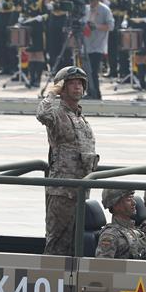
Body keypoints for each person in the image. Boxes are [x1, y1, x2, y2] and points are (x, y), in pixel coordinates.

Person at [36, 66, 98, 256]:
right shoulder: (56, 113)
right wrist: (52, 94)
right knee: (57, 243)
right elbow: (42, 114)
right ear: (62, 88)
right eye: (71, 83)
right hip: (62, 192)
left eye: (80, 83)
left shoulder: (80, 118)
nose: (77, 87)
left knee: (75, 243)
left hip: (81, 189)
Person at [96, 188, 146, 259]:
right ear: (115, 205)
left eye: (132, 198)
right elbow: (102, 266)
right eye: (129, 199)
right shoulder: (110, 235)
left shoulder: (136, 231)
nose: (134, 203)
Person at [82, 0, 114, 101]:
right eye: (90, 0)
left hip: (98, 44)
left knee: (93, 71)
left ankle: (96, 93)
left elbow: (111, 26)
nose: (92, 2)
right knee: (85, 71)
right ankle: (89, 92)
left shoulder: (105, 10)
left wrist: (96, 26)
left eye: (93, 0)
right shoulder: (86, 9)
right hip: (86, 44)